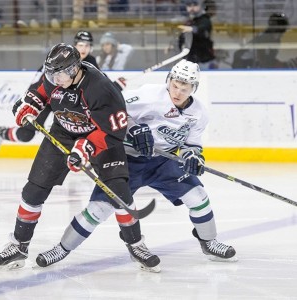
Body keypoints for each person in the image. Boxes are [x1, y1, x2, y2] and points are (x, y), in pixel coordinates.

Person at [35, 59, 237, 271]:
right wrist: (134, 129)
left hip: (164, 162)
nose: (177, 92)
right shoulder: (149, 95)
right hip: (128, 159)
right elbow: (115, 109)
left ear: (193, 89)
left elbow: (192, 145)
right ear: (168, 81)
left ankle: (209, 242)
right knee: (98, 210)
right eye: (175, 85)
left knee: (198, 196)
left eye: (184, 89)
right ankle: (62, 248)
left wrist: (194, 157)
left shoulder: (199, 113)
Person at [0, 43, 159, 271]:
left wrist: (86, 147)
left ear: (74, 70)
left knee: (119, 191)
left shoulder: (100, 88)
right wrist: (29, 106)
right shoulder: (53, 77)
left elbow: (115, 131)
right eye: (51, 74)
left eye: (60, 74)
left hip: (101, 137)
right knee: (33, 189)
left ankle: (136, 245)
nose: (55, 79)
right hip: (62, 133)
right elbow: (40, 91)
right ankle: (18, 246)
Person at [0, 30, 125, 150]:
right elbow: (39, 84)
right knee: (26, 134)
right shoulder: (58, 58)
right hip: (47, 98)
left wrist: (116, 86)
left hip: (67, 101)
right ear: (75, 46)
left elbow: (102, 85)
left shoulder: (90, 62)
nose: (84, 49)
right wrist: (33, 101)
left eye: (87, 45)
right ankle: (0, 132)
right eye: (81, 45)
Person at [232, 12, 297, 69]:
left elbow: (269, 60)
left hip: (251, 63)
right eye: (283, 28)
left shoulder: (276, 40)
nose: (284, 31)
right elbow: (264, 62)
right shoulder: (264, 38)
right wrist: (279, 65)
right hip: (243, 64)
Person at [177, 0, 216, 69]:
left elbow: (202, 28)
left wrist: (192, 29)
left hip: (203, 60)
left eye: (194, 5)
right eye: (189, 6)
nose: (192, 8)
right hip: (190, 59)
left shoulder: (204, 19)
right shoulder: (188, 21)